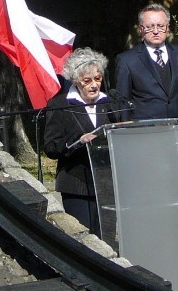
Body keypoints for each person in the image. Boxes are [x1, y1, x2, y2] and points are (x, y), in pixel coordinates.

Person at [114, 3, 178, 186]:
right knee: (152, 190)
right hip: (146, 142)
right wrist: (126, 143)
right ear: (141, 29)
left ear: (168, 28)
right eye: (150, 26)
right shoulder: (126, 60)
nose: (156, 31)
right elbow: (123, 106)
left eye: (160, 26)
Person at [43, 48, 120, 237]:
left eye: (98, 78)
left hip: (107, 183)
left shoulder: (110, 103)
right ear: (75, 80)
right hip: (76, 181)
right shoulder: (60, 104)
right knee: (83, 239)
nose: (94, 85)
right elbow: (51, 146)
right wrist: (78, 140)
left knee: (106, 239)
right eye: (87, 80)